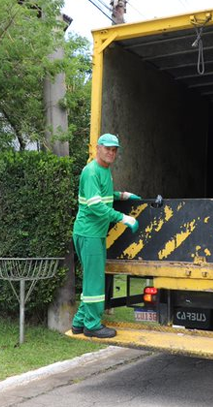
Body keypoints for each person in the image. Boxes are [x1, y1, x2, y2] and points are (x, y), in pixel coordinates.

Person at [70, 133, 141, 339]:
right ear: (98, 148)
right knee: (94, 282)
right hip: (89, 233)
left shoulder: (104, 171)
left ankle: (79, 323)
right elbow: (95, 206)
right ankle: (92, 325)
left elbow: (104, 194)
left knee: (93, 280)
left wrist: (122, 195)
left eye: (114, 149)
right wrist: (123, 218)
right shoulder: (91, 171)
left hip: (95, 234)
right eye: (107, 148)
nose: (111, 152)